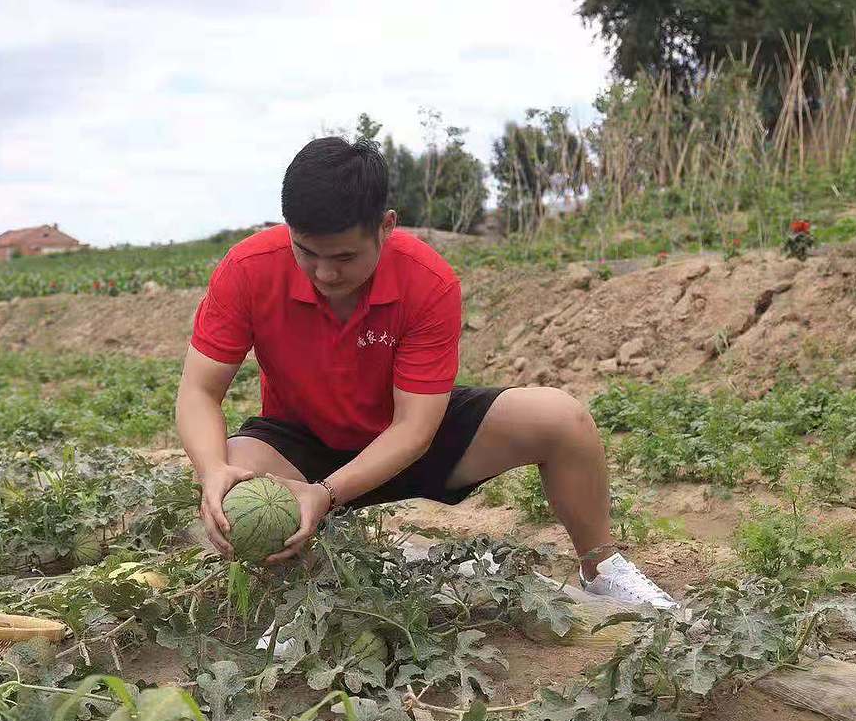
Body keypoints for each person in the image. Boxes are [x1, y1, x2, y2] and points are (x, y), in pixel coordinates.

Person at [174, 137, 676, 609]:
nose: (325, 274)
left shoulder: (427, 281)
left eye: (345, 257)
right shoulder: (247, 270)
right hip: (302, 440)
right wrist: (213, 471)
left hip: (405, 434)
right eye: (307, 253)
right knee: (240, 483)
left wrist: (326, 494)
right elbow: (199, 390)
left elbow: (415, 427)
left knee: (561, 419)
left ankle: (601, 568)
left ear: (386, 226)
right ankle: (304, 596)